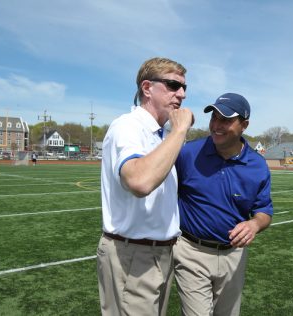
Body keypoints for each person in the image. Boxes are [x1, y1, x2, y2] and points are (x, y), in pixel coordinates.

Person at [97, 57, 193, 315]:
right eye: (173, 85)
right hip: (133, 253)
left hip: (159, 252)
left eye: (184, 87)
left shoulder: (160, 134)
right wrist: (179, 131)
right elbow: (139, 182)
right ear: (147, 88)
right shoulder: (128, 126)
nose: (181, 94)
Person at [174, 93, 273, 315]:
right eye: (214, 118)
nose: (216, 126)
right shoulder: (188, 153)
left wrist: (254, 225)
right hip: (191, 252)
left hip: (234, 256)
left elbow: (264, 211)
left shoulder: (258, 165)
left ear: (244, 125)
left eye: (226, 120)